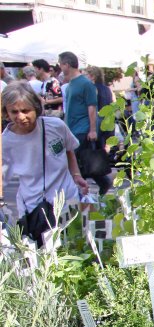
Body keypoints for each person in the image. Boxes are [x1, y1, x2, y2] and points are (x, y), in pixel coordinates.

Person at [2, 82, 89, 242]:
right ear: (6, 113)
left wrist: (76, 175)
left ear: (36, 107)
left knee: (75, 246)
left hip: (67, 199)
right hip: (34, 207)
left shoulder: (56, 126)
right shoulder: (6, 141)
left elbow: (69, 149)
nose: (21, 117)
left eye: (25, 110)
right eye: (14, 112)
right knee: (46, 256)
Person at [58, 51, 113, 194]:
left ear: (67, 64)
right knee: (83, 163)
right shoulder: (71, 84)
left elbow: (92, 107)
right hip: (73, 129)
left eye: (60, 64)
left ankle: (85, 193)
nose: (60, 68)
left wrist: (93, 129)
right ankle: (101, 184)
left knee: (76, 164)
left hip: (82, 129)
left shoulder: (85, 84)